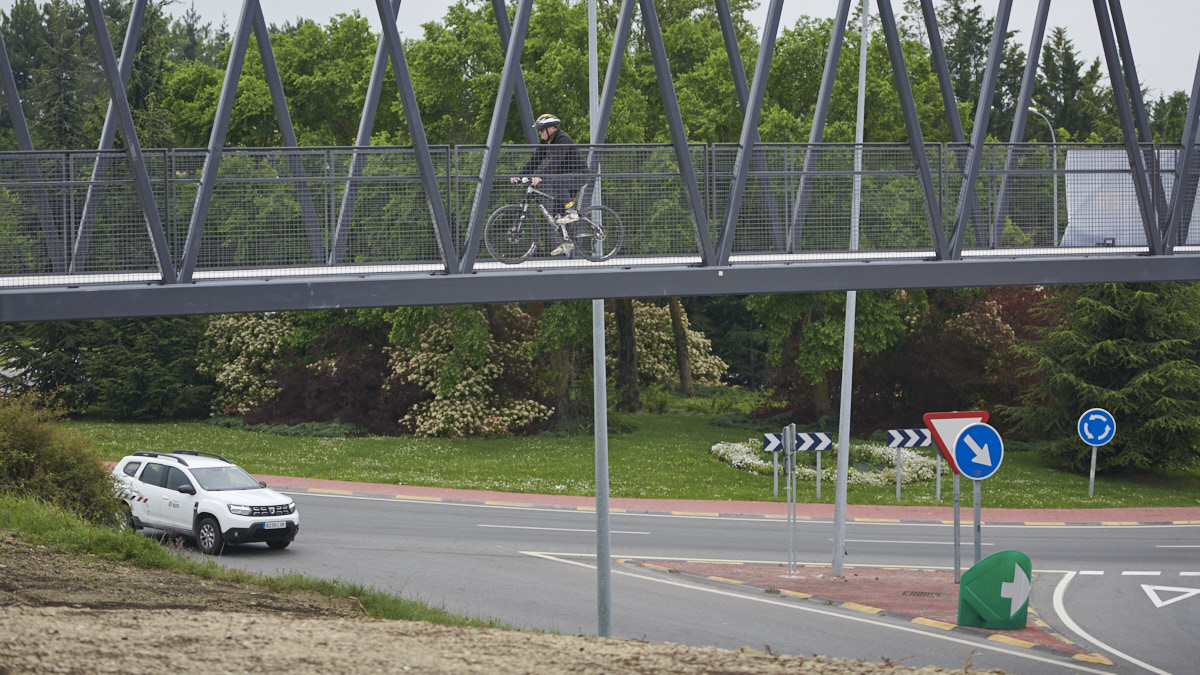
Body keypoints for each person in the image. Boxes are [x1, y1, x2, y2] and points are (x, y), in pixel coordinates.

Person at [512, 114, 587, 255]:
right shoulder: (546, 144)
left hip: (580, 175)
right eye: (539, 130)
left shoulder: (563, 139)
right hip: (566, 180)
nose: (540, 133)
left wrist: (540, 176)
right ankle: (567, 242)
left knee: (556, 181)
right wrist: (520, 175)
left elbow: (555, 163)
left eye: (541, 129)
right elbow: (534, 161)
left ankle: (572, 212)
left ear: (552, 128)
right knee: (555, 213)